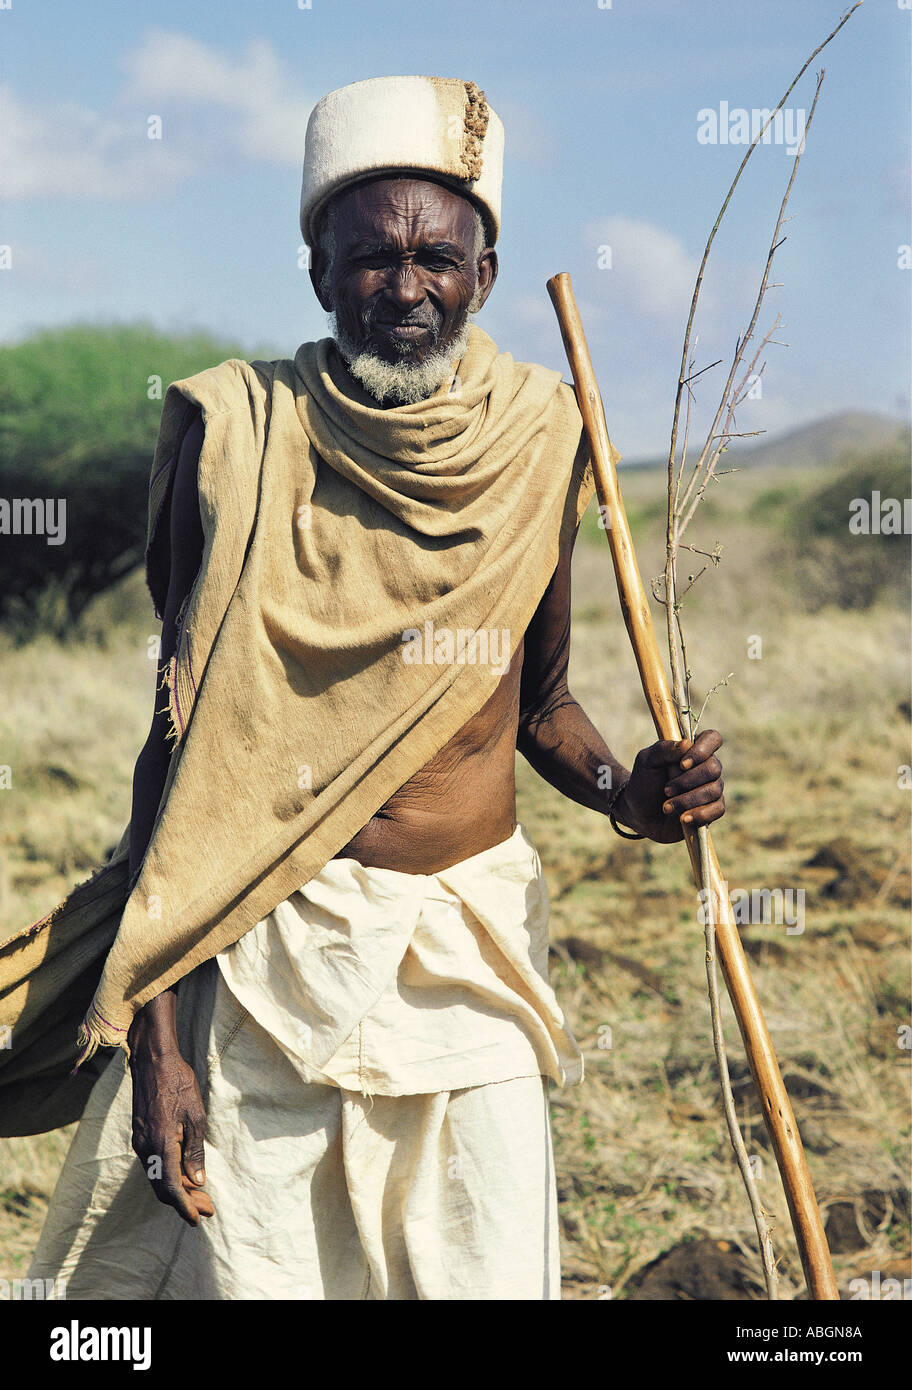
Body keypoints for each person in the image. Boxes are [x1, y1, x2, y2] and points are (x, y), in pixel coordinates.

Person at [26, 75, 724, 1301]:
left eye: (437, 259)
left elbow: (543, 706)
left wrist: (635, 792)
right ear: (318, 273)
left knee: (486, 1265)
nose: (406, 289)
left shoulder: (542, 437)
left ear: (485, 274)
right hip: (272, 956)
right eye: (371, 259)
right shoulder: (237, 435)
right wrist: (158, 1034)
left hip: (470, 953)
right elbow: (181, 755)